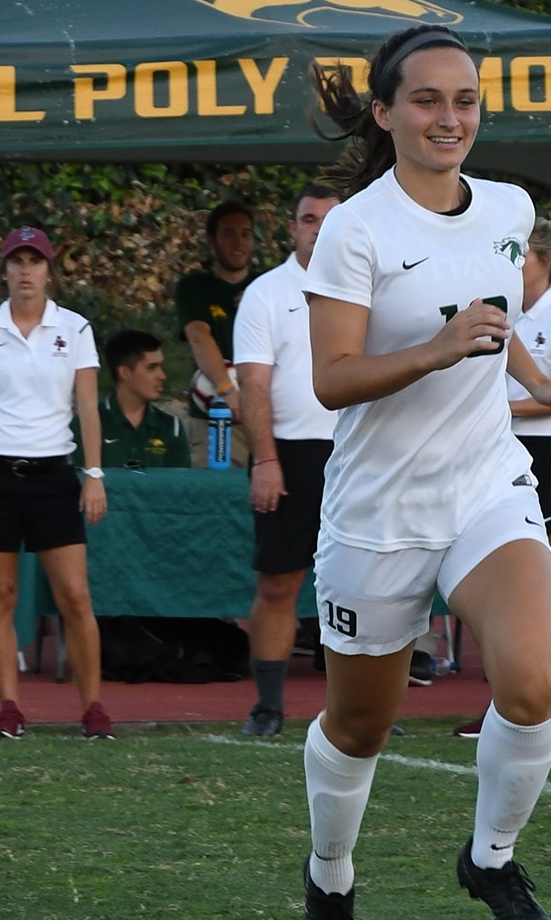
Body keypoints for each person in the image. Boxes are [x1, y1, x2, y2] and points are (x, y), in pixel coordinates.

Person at [298, 24, 551, 920]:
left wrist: (544, 381)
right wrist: (433, 350)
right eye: (426, 99)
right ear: (385, 113)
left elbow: (489, 325)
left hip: (484, 482)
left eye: (464, 99)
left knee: (537, 682)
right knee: (361, 727)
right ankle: (330, 872)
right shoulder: (353, 229)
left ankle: (490, 858)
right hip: (378, 510)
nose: (449, 116)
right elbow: (331, 379)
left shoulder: (508, 209)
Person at [0, 226, 112, 740]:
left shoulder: (76, 329)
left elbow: (86, 404)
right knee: (0, 595)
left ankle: (93, 708)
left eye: (34, 262)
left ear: (49, 269)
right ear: (3, 270)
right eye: (16, 262)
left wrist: (94, 474)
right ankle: (9, 707)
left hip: (52, 474)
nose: (25, 271)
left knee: (75, 596)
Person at [455, 217, 551, 741]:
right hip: (495, 452)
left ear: (543, 259)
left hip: (548, 456)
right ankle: (505, 703)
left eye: (519, 254)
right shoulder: (500, 314)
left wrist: (494, 403)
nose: (512, 263)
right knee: (498, 582)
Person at [234, 183, 342, 737]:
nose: (318, 229)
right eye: (308, 219)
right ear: (293, 227)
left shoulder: (370, 286)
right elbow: (253, 383)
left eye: (329, 219)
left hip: (359, 452)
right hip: (291, 454)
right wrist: (265, 460)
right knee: (279, 582)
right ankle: (269, 706)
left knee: (364, 586)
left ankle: (360, 707)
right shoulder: (266, 294)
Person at [176, 200, 257, 410]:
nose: (238, 242)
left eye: (245, 233)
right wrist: (226, 389)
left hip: (263, 410)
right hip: (213, 409)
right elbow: (198, 336)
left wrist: (256, 301)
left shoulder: (266, 285)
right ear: (211, 242)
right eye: (229, 234)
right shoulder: (194, 286)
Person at [89, 329, 189, 470]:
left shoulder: (172, 428)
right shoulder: (87, 424)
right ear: (125, 373)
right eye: (152, 367)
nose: (162, 375)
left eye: (161, 366)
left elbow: (182, 487)